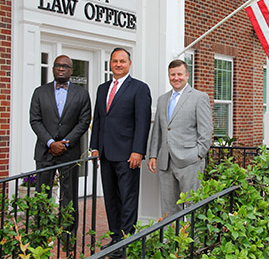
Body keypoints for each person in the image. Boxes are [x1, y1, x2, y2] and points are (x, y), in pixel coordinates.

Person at [90, 47, 152, 254]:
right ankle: (115, 237)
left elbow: (142, 122)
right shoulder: (102, 88)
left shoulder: (139, 88)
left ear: (129, 64)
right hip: (106, 154)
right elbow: (98, 119)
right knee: (110, 198)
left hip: (128, 155)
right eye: (115, 61)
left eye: (122, 61)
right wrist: (94, 147)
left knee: (128, 198)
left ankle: (126, 240)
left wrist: (138, 151)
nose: (118, 64)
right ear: (110, 63)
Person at [29, 55, 91, 237]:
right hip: (44, 152)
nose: (61, 69)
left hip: (69, 152)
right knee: (42, 195)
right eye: (58, 66)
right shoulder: (39, 92)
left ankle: (67, 233)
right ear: (53, 69)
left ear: (72, 71)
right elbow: (35, 120)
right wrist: (50, 142)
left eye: (65, 66)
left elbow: (84, 121)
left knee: (69, 195)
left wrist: (66, 143)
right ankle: (42, 231)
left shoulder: (81, 94)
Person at [148, 59, 213, 217]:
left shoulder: (199, 97)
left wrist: (198, 154)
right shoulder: (162, 99)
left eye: (179, 74)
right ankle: (171, 241)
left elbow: (206, 130)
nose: (176, 78)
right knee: (169, 208)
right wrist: (153, 155)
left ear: (187, 75)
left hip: (189, 161)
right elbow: (158, 130)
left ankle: (194, 242)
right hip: (166, 161)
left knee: (192, 206)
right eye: (172, 75)